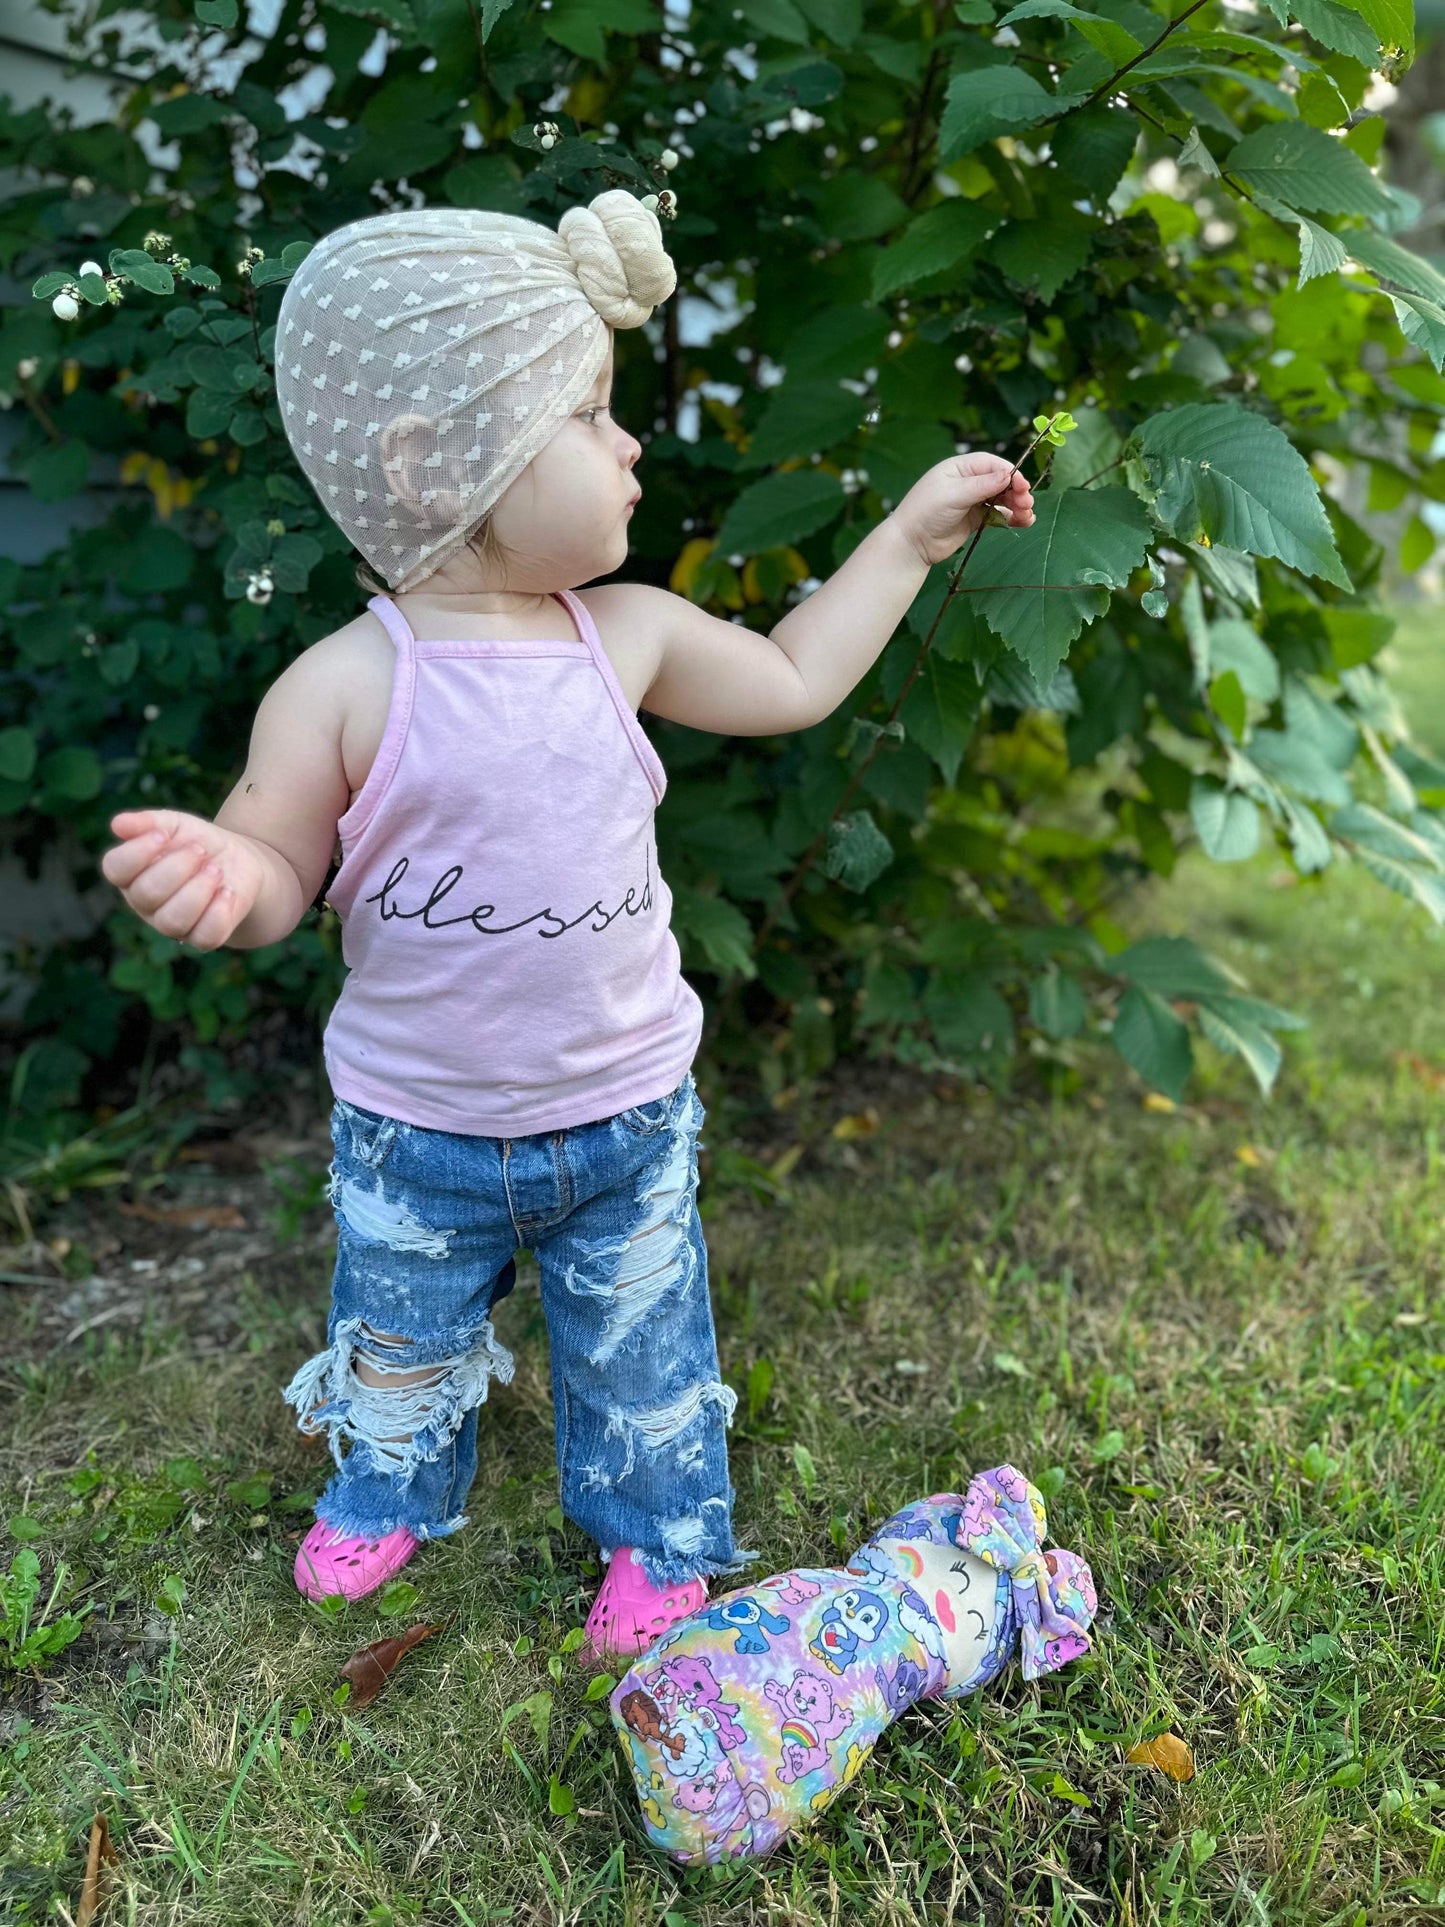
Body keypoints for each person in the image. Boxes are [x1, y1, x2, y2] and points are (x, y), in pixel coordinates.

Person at [98, 189, 1034, 1662]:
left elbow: (791, 678)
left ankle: (656, 1535)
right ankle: (390, 1484)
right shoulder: (348, 679)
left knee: (642, 1351)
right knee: (402, 1337)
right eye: (589, 415)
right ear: (433, 463)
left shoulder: (633, 634)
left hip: (622, 1111)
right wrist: (229, 879)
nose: (630, 444)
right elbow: (281, 856)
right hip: (420, 1125)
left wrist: (907, 542)